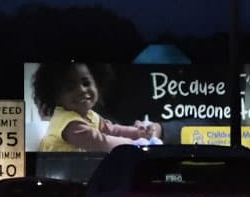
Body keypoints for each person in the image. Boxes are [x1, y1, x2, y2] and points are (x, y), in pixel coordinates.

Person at [32, 62, 162, 152]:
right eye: (70, 87)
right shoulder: (68, 123)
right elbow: (101, 143)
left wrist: (138, 132)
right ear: (56, 97)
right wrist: (135, 143)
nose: (82, 90)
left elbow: (113, 130)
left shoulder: (90, 115)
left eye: (86, 82)